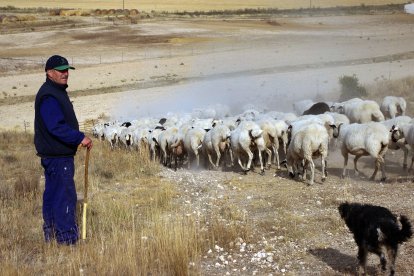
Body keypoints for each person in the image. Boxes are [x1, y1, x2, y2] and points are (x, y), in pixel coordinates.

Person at [34, 55, 93, 245]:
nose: (65, 73)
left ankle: (51, 234)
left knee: (52, 194)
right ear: (49, 72)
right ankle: (67, 238)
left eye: (67, 70)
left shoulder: (55, 91)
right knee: (64, 196)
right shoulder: (49, 95)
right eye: (61, 70)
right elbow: (56, 127)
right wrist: (79, 137)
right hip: (58, 157)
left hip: (54, 155)